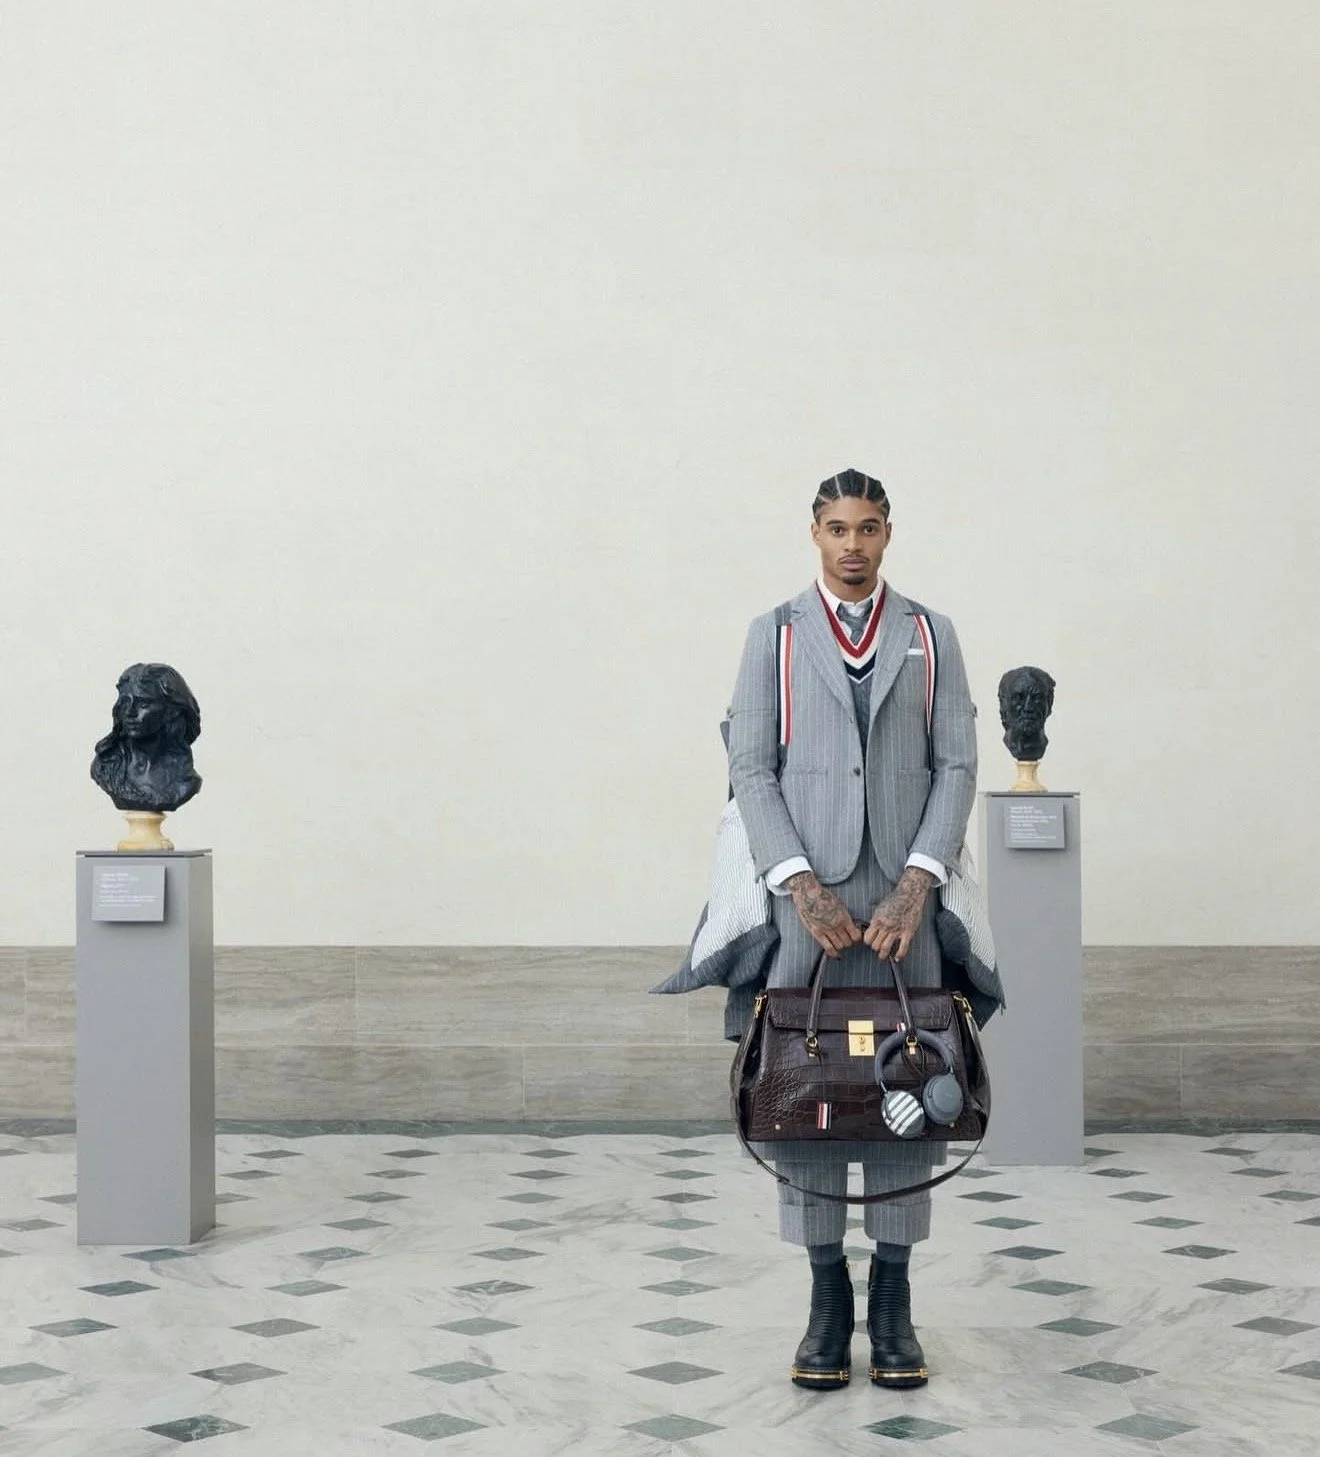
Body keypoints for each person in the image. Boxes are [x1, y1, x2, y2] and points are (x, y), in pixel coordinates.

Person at [726, 468, 978, 1391]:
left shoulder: (930, 634)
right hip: (811, 910)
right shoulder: (776, 634)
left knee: (909, 1080)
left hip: (906, 903)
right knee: (808, 1089)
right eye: (837, 528)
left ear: (888, 533)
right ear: (815, 533)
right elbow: (751, 767)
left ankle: (896, 1299)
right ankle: (827, 1295)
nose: (853, 545)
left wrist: (918, 882)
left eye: (868, 528)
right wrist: (799, 883)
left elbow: (957, 764)